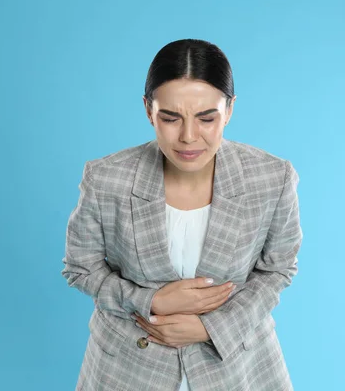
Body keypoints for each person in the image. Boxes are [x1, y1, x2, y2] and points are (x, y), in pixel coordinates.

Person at [61, 38, 303, 390]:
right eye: (170, 118)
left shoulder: (272, 177)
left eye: (207, 118)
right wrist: (149, 301)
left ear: (230, 109)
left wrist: (211, 328)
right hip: (126, 370)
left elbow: (277, 270)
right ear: (148, 110)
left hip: (239, 369)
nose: (189, 137)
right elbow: (81, 268)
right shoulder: (105, 178)